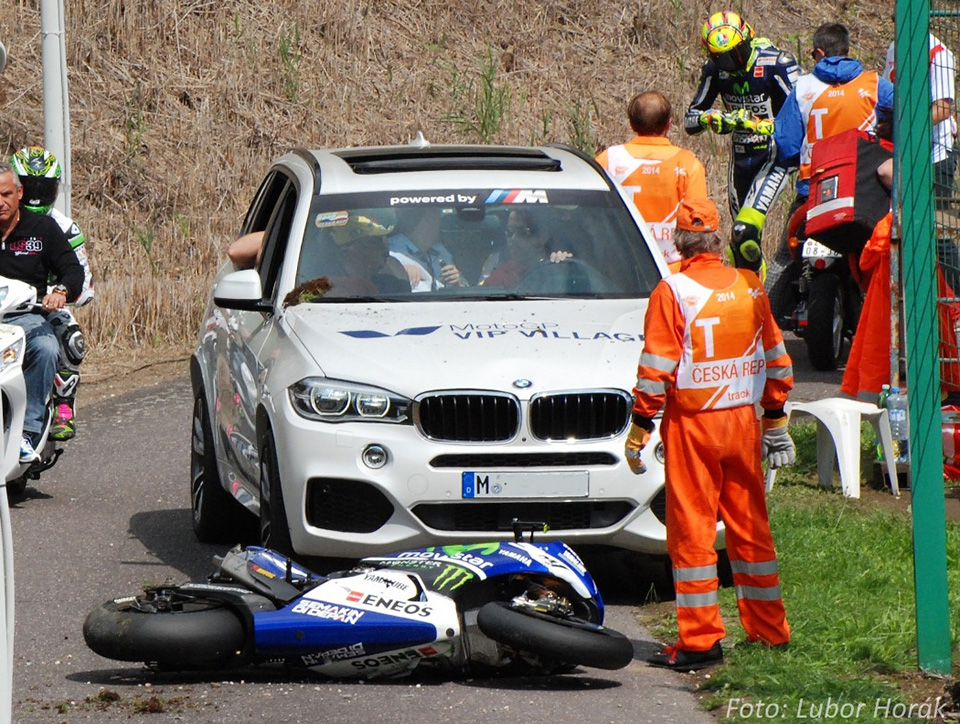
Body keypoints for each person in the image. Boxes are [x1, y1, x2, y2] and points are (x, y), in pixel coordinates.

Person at [626, 197, 794, 670]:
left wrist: (640, 426)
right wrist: (775, 416)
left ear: (678, 240)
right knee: (750, 527)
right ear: (719, 238)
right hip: (742, 422)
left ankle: (700, 641)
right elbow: (778, 360)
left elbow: (656, 369)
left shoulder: (672, 292)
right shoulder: (750, 286)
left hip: (693, 426)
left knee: (694, 533)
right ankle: (769, 631)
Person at [745, 22, 895, 324]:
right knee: (886, 253)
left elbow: (786, 145)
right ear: (849, 51)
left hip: (813, 194)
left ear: (818, 53)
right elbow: (904, 114)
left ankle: (762, 326)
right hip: (862, 194)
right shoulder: (874, 84)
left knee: (784, 258)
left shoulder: (803, 87)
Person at [685, 11, 801, 274]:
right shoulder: (714, 71)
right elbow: (689, 119)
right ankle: (754, 297)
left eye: (736, 54)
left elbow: (802, 113)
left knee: (744, 229)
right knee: (739, 242)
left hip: (775, 156)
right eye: (722, 58)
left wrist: (759, 124)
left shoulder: (777, 62)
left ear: (748, 38)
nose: (731, 63)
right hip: (741, 158)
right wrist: (712, 118)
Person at [0, 162, 84, 463]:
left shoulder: (43, 229)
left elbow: (73, 270)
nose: (0, 202)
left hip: (26, 317)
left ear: (20, 193)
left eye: (6, 193)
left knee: (48, 347)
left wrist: (60, 291)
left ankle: (29, 432)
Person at [11, 146, 93, 441]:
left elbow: (82, 279)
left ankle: (63, 407)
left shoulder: (65, 228)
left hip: (42, 305)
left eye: (43, 188)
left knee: (70, 338)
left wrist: (61, 292)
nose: (35, 195)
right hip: (5, 304)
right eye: (29, 186)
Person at [596, 91, 708, 272]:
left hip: (618, 268)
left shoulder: (608, 159)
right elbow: (698, 223)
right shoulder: (689, 164)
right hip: (672, 271)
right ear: (669, 125)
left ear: (632, 124)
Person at [480, 208, 572, 287]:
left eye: (523, 232)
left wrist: (564, 266)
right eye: (510, 232)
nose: (513, 239)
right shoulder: (499, 277)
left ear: (544, 236)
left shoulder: (563, 267)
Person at [387, 208, 465, 291]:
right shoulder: (390, 250)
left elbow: (466, 293)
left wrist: (457, 282)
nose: (440, 225)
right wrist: (398, 271)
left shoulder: (441, 251)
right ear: (428, 219)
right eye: (439, 218)